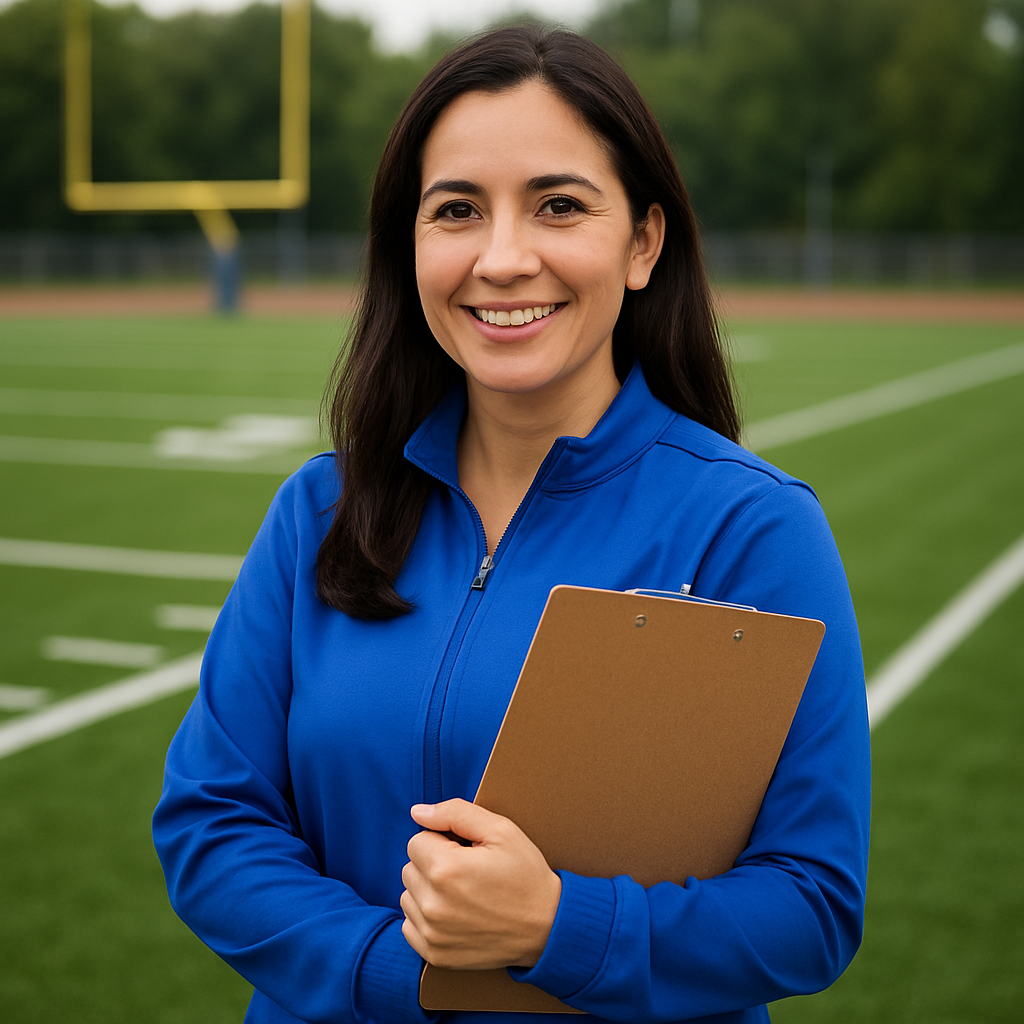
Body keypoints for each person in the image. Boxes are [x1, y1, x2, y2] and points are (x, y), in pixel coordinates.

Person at [153, 25, 870, 1024]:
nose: (501, 258)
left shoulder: (752, 529)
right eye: (456, 210)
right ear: (411, 245)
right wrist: (404, 975)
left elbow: (811, 902)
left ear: (642, 242)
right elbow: (211, 823)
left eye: (558, 206)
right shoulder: (319, 511)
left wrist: (554, 930)